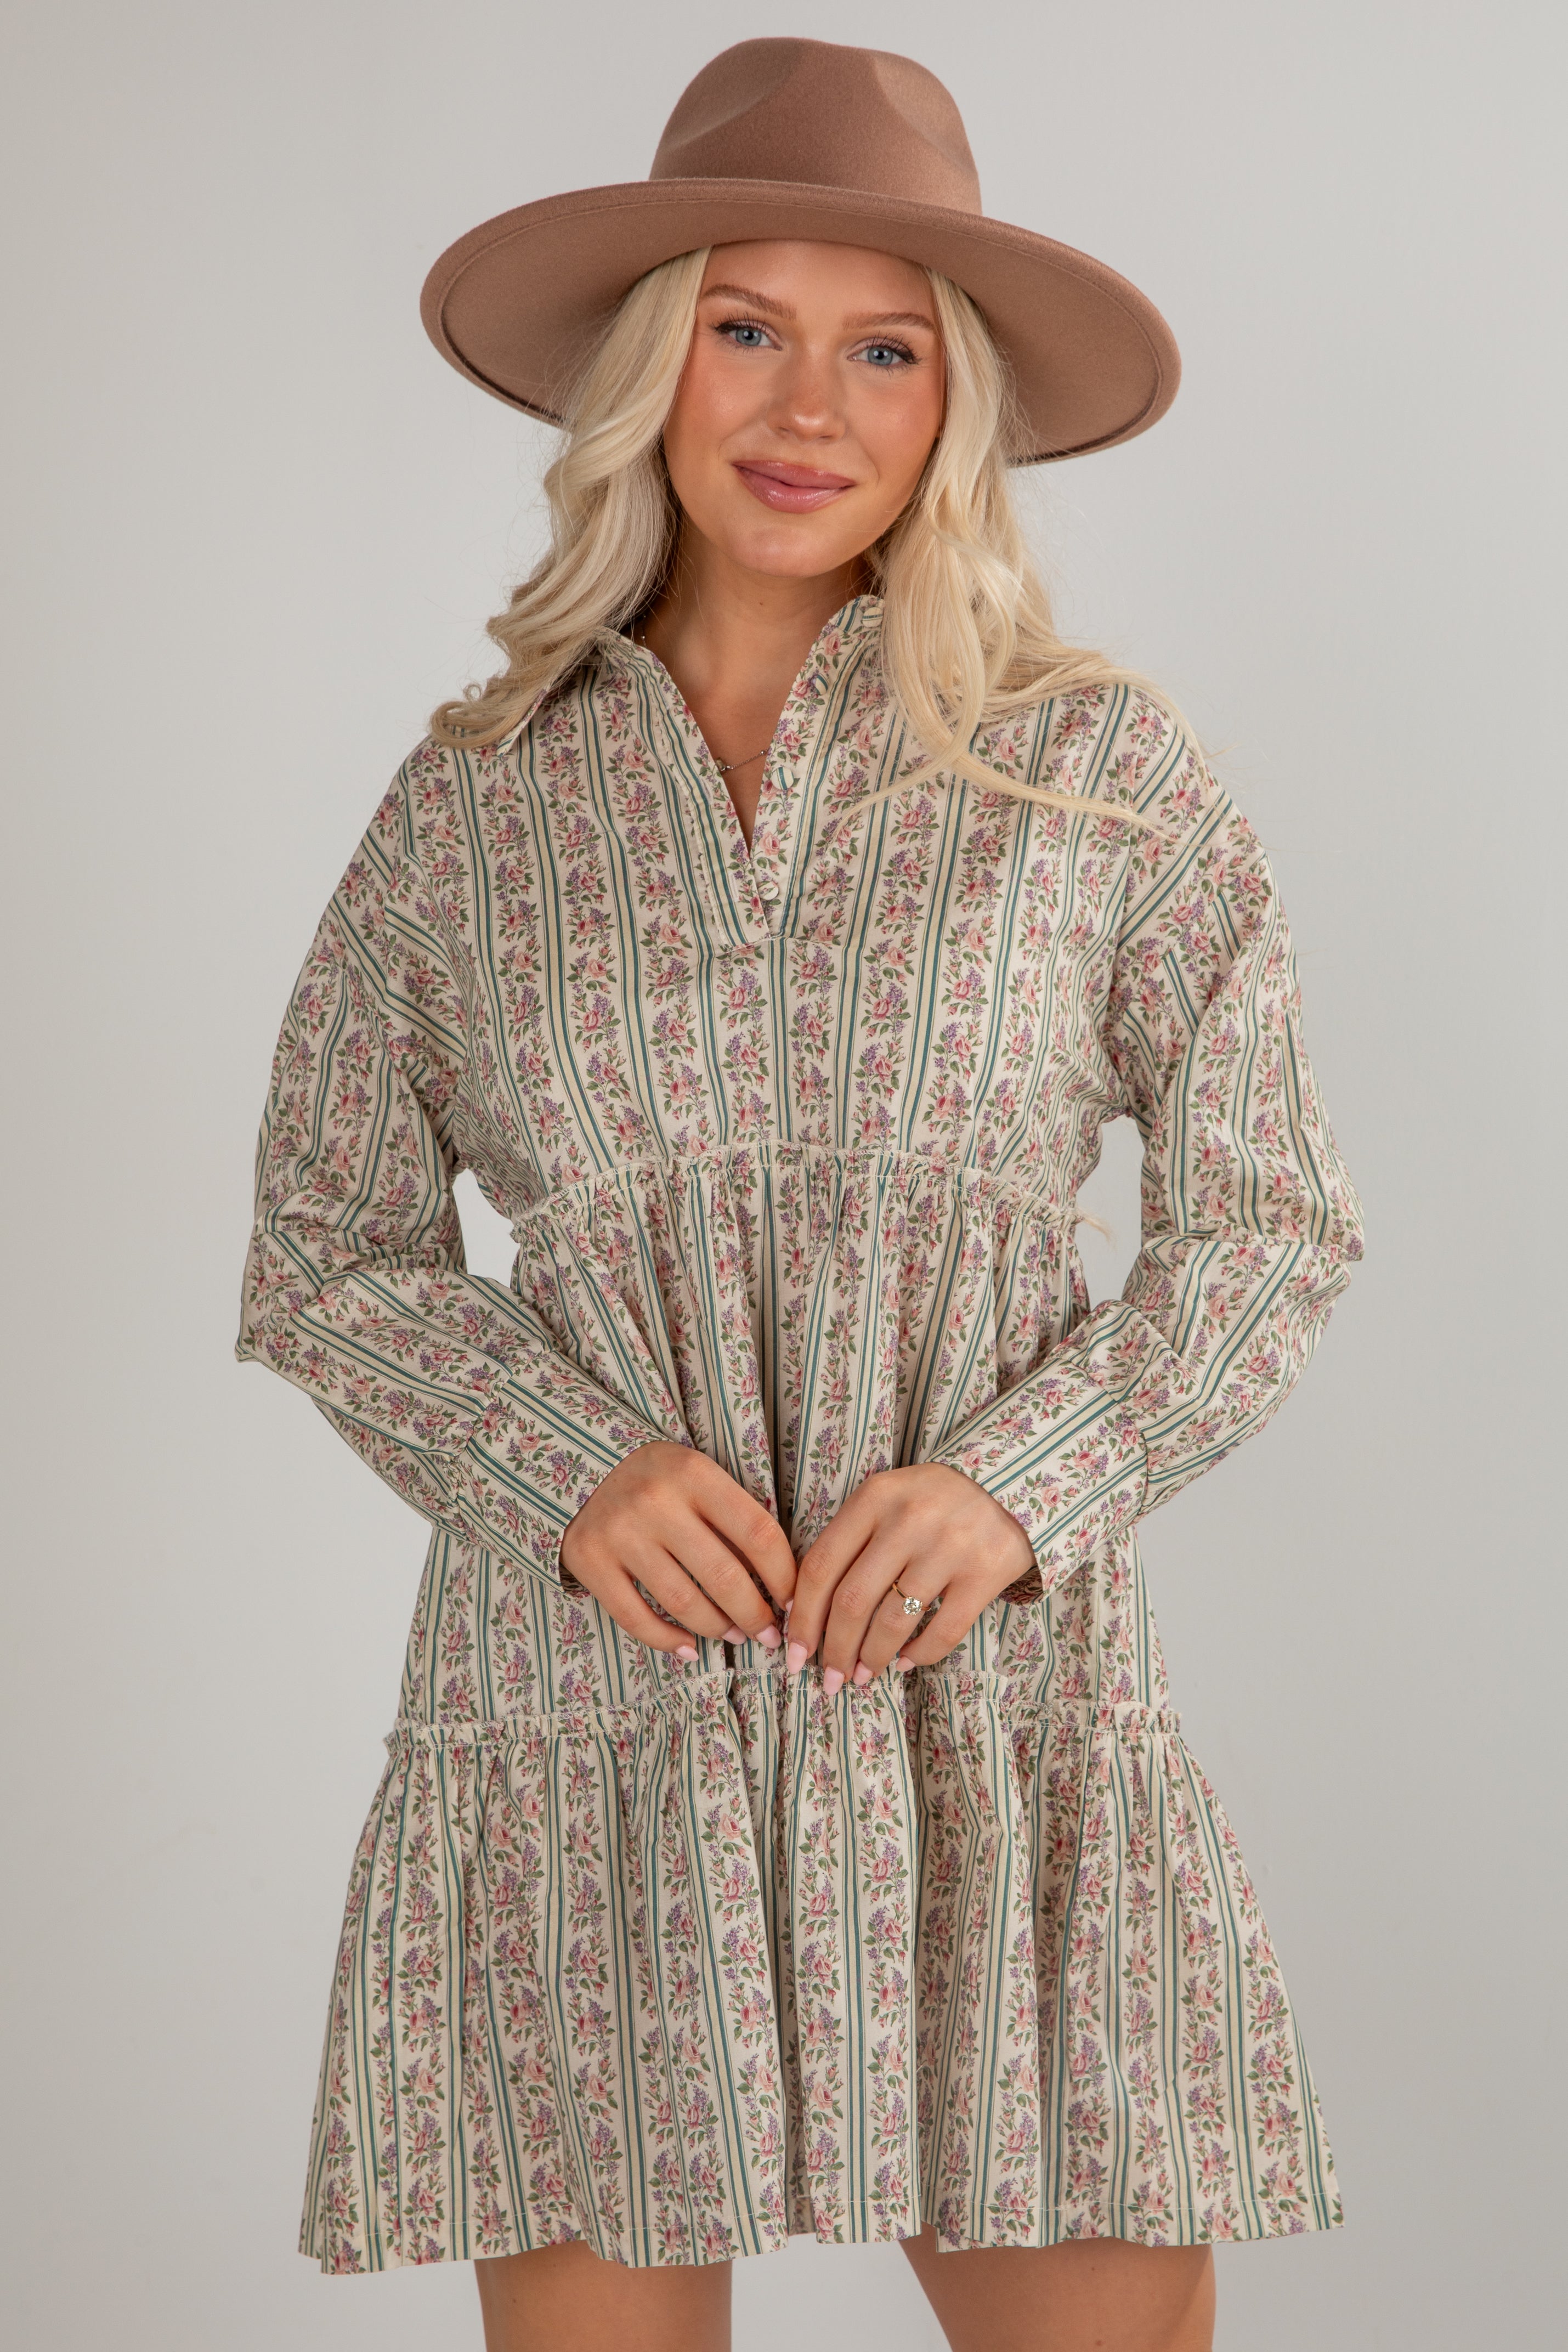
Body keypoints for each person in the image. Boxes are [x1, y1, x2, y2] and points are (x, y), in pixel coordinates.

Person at [235, 37, 1363, 2352]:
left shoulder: (1094, 770)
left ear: (953, 408)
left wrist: (1018, 1485)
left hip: (986, 1714)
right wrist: (562, 1458)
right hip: (590, 1723)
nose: (807, 402)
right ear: (652, 361)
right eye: (744, 324)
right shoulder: (469, 808)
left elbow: (1268, 1222)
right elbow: (326, 1245)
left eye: (885, 347)